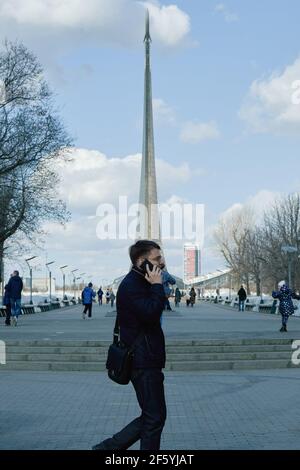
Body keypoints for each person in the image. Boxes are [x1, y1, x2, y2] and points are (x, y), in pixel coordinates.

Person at [92, 239, 166, 451]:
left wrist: (155, 285)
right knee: (154, 417)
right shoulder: (132, 286)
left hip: (147, 357)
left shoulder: (141, 282)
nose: (162, 262)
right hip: (142, 360)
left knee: (153, 416)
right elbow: (151, 314)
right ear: (141, 261)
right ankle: (107, 448)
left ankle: (107, 448)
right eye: (157, 258)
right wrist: (157, 286)